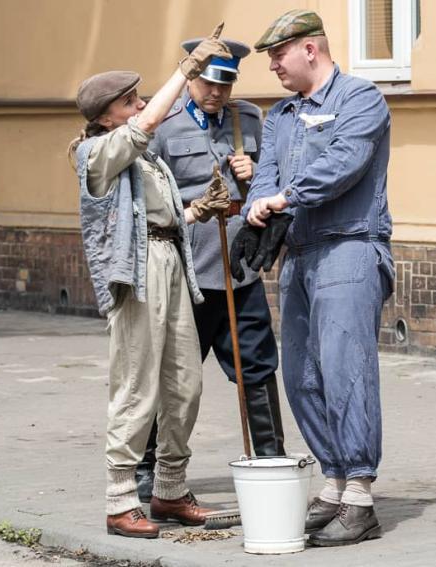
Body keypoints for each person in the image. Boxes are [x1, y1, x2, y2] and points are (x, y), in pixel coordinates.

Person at [234, 9, 395, 547]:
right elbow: (265, 175)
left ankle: (361, 495)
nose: (273, 65)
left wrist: (286, 196)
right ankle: (334, 482)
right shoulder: (279, 116)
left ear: (311, 49)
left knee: (346, 367)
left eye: (278, 54)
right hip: (299, 253)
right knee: (301, 373)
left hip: (350, 248)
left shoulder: (360, 98)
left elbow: (347, 161)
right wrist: (257, 205)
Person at [69, 23, 232, 539]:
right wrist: (185, 72)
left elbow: (158, 218)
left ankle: (169, 489)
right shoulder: (95, 152)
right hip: (135, 277)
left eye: (140, 98)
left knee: (184, 383)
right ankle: (121, 501)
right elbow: (149, 123)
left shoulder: (144, 157)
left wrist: (199, 209)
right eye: (130, 102)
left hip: (169, 262)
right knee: (136, 386)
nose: (140, 107)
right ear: (105, 116)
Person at [133, 34, 286, 501]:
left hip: (238, 270)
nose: (217, 92)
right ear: (191, 76)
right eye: (208, 82)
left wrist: (253, 172)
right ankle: (148, 470)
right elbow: (148, 196)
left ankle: (271, 461)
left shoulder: (248, 120)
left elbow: (269, 183)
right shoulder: (164, 125)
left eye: (226, 83)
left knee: (258, 366)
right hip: (186, 273)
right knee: (174, 374)